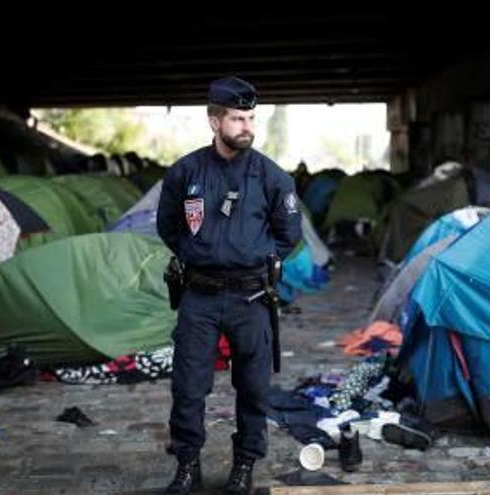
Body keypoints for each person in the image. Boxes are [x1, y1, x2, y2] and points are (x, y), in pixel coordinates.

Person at [157, 76, 302, 494]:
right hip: (199, 296)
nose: (247, 126)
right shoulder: (186, 172)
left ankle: (244, 466)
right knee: (188, 387)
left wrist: (252, 255)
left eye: (251, 117)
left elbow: (288, 235)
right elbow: (168, 225)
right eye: (238, 118)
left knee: (254, 388)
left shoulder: (272, 177)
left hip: (251, 297)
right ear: (214, 121)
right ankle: (187, 465)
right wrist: (200, 250)